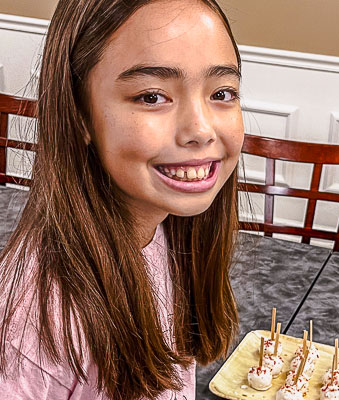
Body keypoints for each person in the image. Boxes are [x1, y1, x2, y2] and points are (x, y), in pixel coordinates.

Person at [0, 0, 244, 398]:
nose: (200, 129)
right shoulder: (33, 324)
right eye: (151, 97)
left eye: (222, 92)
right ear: (80, 116)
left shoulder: (168, 229)